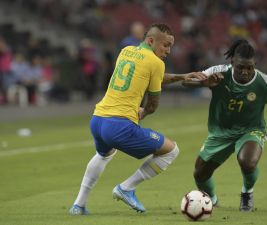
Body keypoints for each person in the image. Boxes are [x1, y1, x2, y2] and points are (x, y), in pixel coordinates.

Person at [69, 23, 207, 215]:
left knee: (103, 155)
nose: (168, 51)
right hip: (119, 125)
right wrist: (144, 112)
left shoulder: (126, 51)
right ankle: (126, 188)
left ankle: (78, 205)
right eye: (165, 45)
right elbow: (153, 104)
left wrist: (182, 76)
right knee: (171, 150)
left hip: (98, 119)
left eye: (170, 47)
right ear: (151, 41)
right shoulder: (156, 63)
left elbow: (151, 74)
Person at [182, 39, 267, 212]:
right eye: (240, 67)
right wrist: (203, 83)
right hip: (220, 131)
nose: (245, 71)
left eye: (249, 67)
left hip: (251, 130)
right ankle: (212, 200)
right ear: (232, 63)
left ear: (255, 64)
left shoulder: (265, 83)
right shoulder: (218, 73)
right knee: (200, 174)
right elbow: (186, 82)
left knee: (248, 162)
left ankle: (247, 193)